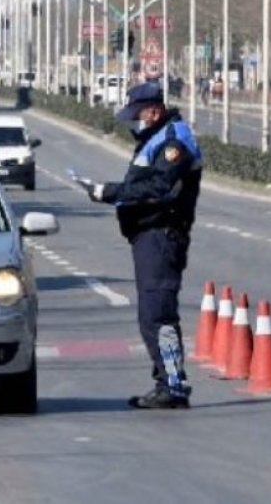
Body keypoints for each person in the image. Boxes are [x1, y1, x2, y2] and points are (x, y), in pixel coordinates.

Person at [79, 82, 202, 409]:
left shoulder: (174, 141)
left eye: (137, 115)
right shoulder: (156, 139)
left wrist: (110, 192)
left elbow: (160, 188)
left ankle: (173, 386)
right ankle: (168, 382)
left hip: (162, 235)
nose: (135, 122)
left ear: (154, 111)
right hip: (149, 236)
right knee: (153, 313)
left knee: (157, 313)